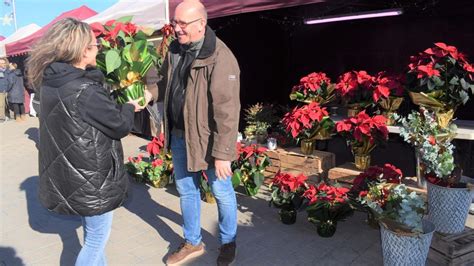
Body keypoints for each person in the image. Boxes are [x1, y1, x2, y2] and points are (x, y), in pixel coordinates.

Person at [26, 18, 144, 266]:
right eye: (94, 44)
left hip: (71, 175)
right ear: (82, 51)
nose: (99, 47)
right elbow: (120, 125)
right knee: (96, 239)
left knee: (92, 234)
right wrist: (129, 107)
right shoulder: (84, 89)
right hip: (92, 177)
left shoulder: (51, 82)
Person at [144, 1, 241, 265]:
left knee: (221, 192)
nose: (176, 29)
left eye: (182, 24)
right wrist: (149, 94)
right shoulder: (175, 49)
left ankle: (228, 241)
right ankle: (192, 242)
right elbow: (164, 83)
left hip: (209, 141)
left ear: (201, 23)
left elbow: (227, 110)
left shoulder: (220, 57)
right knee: (187, 191)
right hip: (179, 134)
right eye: (175, 23)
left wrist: (223, 154)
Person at [0, 57, 13, 122]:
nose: (2, 64)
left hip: (8, 89)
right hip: (1, 90)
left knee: (9, 103)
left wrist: (9, 88)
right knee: (1, 105)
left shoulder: (8, 70)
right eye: (1, 63)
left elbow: (11, 80)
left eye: (3, 63)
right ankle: (2, 118)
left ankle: (10, 116)